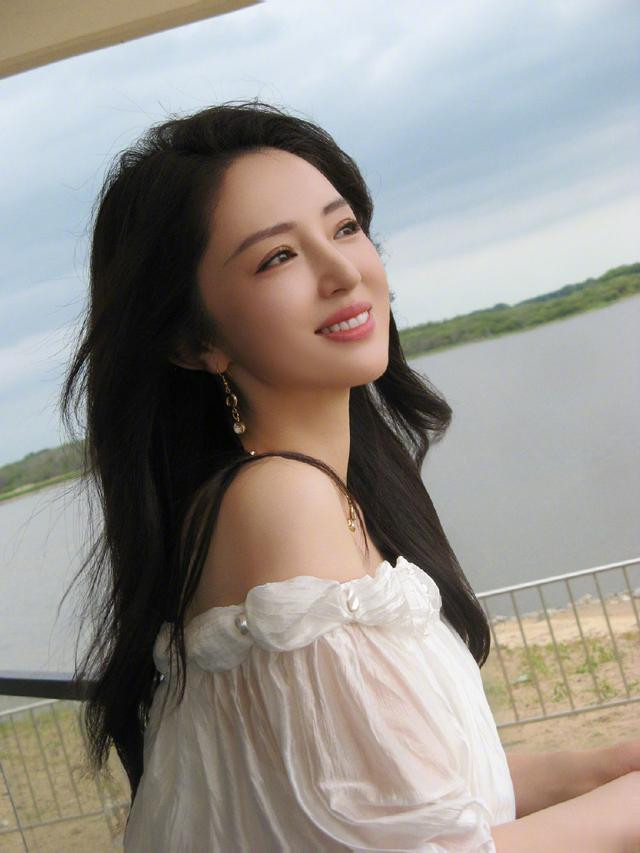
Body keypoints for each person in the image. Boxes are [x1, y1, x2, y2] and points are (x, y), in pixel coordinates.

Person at [60, 99, 640, 851]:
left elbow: (393, 794)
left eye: (343, 228)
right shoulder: (280, 502)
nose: (342, 272)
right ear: (193, 340)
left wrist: (596, 768)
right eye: (277, 257)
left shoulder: (308, 492)